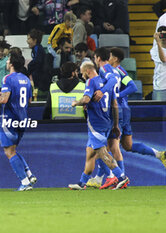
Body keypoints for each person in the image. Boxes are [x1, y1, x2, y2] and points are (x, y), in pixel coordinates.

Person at [87, 48, 166, 188]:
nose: (108, 58)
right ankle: (158, 154)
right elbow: (131, 86)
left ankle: (118, 177)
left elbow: (131, 87)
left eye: (110, 55)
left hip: (117, 109)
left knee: (107, 145)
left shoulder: (107, 70)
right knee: (127, 145)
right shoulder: (121, 71)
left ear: (115, 58)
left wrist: (112, 95)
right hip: (125, 109)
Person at [0, 51, 37, 191]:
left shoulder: (7, 79)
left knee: (9, 151)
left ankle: (24, 182)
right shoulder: (26, 79)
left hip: (10, 119)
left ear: (11, 63)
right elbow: (29, 100)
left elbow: (3, 99)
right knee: (13, 150)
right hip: (23, 119)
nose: (6, 62)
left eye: (8, 60)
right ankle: (29, 174)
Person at [68, 61, 129, 190]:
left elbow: (86, 99)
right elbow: (115, 105)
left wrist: (75, 103)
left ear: (88, 71)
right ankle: (82, 183)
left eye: (82, 73)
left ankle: (121, 177)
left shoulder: (91, 82)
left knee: (101, 152)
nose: (81, 75)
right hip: (107, 122)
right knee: (90, 153)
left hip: (95, 124)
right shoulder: (106, 84)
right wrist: (116, 125)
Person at [27, 29, 48, 101]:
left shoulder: (38, 48)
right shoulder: (36, 48)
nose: (27, 41)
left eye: (29, 39)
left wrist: (29, 67)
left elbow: (38, 61)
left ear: (34, 40)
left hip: (42, 82)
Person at [150, 26, 166, 100]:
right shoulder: (154, 50)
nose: (164, 38)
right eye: (162, 35)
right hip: (160, 86)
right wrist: (158, 43)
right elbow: (163, 59)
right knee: (160, 111)